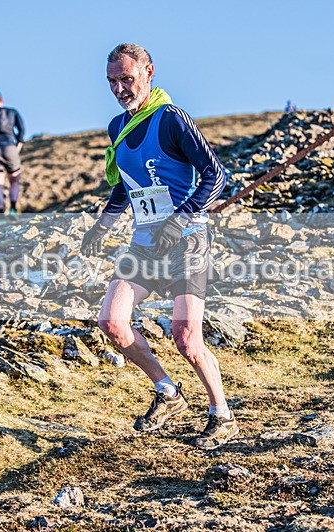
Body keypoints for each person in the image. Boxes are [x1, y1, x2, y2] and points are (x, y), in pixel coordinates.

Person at [80, 43, 237, 450]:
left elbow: (216, 175)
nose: (119, 88)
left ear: (149, 72)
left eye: (126, 79)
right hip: (146, 241)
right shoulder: (118, 127)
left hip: (187, 239)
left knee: (186, 338)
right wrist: (102, 225)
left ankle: (222, 415)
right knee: (111, 322)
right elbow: (125, 186)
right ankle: (168, 393)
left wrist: (181, 218)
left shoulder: (170, 119)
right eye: (112, 81)